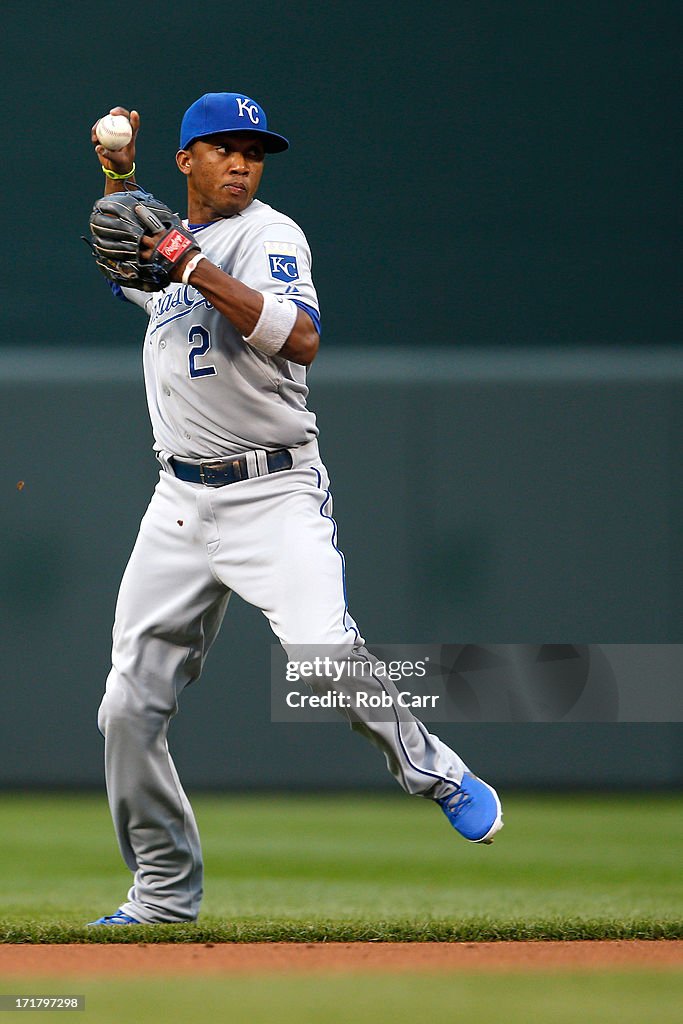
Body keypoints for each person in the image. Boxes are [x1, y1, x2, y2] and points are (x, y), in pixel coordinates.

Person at [87, 92, 503, 926]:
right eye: (222, 147)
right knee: (127, 707)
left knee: (320, 656)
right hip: (178, 501)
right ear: (187, 161)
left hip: (274, 492)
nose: (241, 162)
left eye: (255, 149)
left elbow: (302, 337)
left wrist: (188, 261)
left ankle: (438, 773)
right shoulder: (174, 248)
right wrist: (117, 175)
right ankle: (164, 895)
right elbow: (124, 251)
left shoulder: (269, 234)